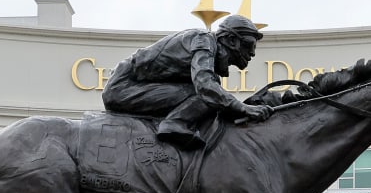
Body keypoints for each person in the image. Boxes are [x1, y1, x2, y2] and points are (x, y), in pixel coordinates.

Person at [100, 14, 272, 148]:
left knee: (213, 91)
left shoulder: (206, 44)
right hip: (123, 88)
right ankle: (174, 124)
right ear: (231, 40)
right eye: (249, 44)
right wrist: (242, 107)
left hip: (135, 86)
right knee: (207, 94)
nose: (253, 53)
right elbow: (205, 86)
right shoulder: (203, 40)